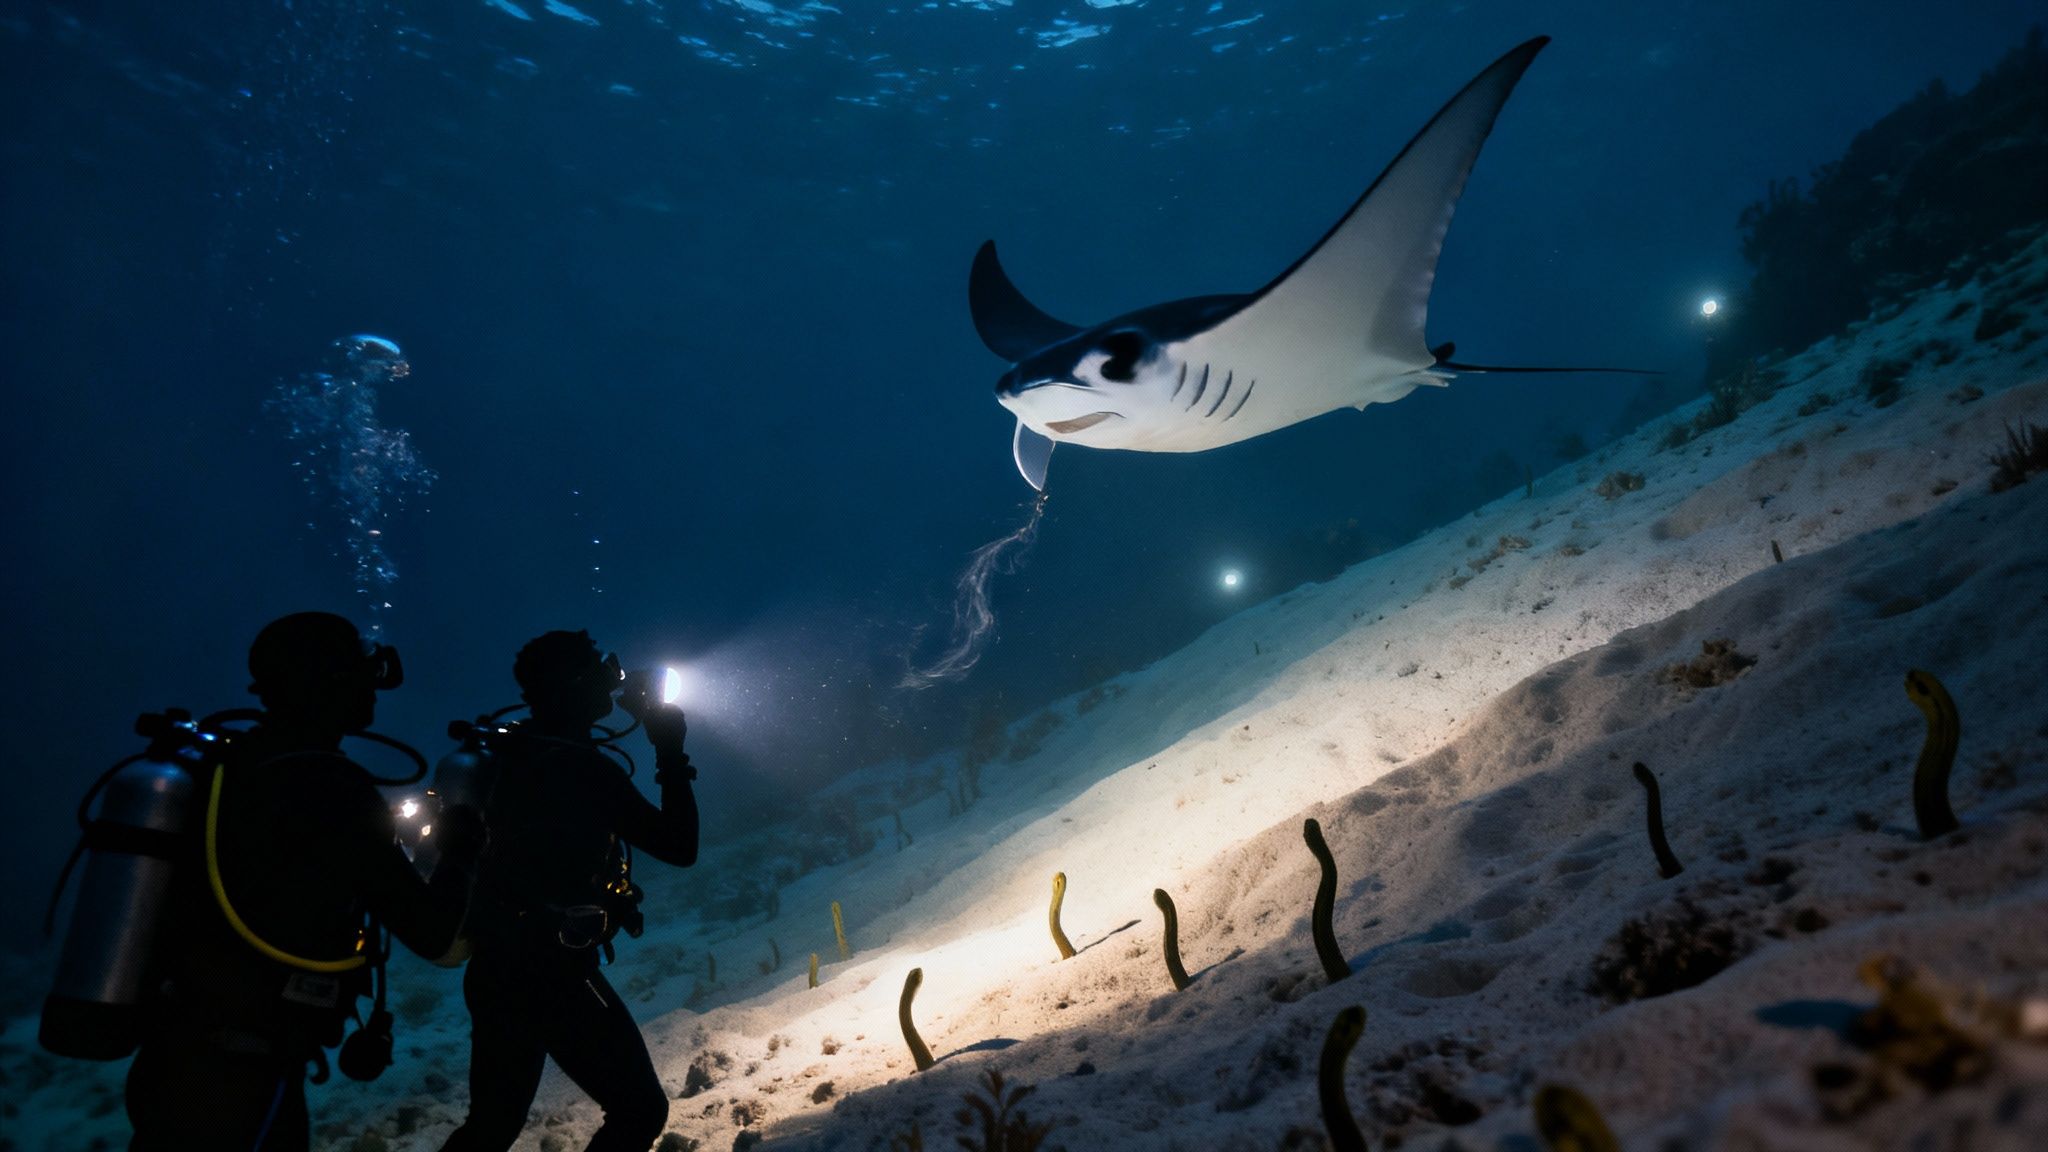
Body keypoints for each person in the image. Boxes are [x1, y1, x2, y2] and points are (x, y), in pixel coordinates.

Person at [124, 611, 486, 1151]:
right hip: (237, 1084)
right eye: (360, 671)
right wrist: (460, 849)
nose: (374, 686)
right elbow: (436, 938)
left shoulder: (230, 768)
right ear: (330, 681)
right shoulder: (330, 787)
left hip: (174, 1061)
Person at [441, 630, 699, 1152]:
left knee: (491, 1128)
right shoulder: (581, 769)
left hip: (494, 969)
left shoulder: (511, 755)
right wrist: (669, 749)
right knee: (640, 1109)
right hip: (550, 974)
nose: (610, 671)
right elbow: (679, 846)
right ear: (571, 683)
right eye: (594, 665)